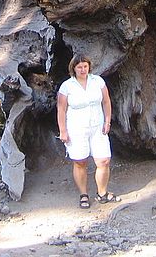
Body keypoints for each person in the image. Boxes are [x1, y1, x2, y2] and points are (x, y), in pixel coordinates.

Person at [56, 55, 121, 209]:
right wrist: (63, 131)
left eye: (85, 66)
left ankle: (102, 193)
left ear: (89, 67)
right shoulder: (67, 86)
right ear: (74, 68)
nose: (83, 70)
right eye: (79, 67)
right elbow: (61, 109)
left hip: (97, 127)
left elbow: (106, 101)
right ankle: (83, 194)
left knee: (103, 160)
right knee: (80, 162)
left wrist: (107, 121)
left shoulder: (97, 81)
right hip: (76, 129)